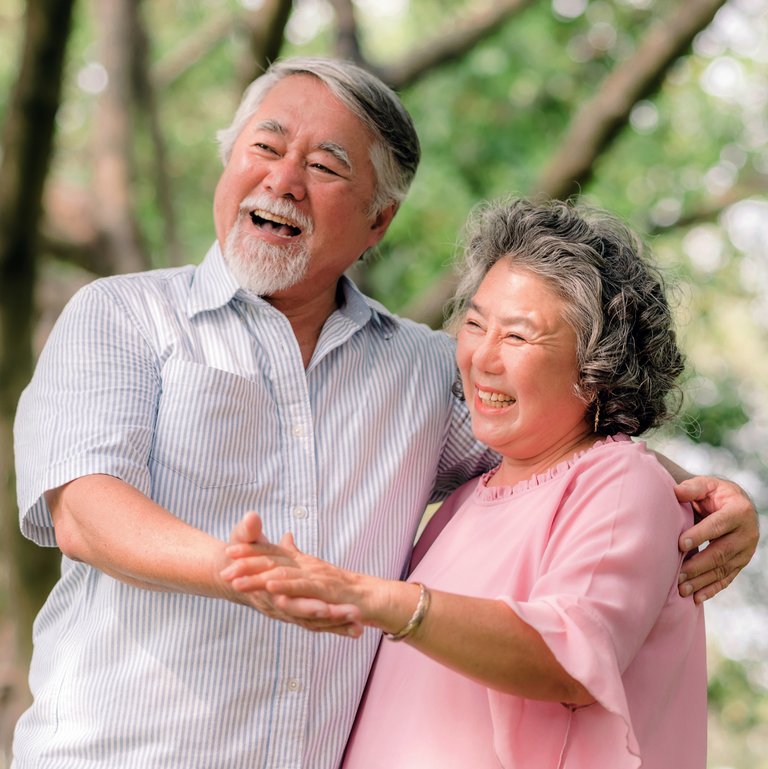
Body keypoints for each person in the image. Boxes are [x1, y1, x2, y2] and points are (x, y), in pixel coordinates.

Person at [11, 57, 756, 769]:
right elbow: (86, 510)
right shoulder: (123, 317)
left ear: (378, 223)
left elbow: (555, 437)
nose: (283, 180)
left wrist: (698, 490)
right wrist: (245, 573)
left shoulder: (423, 370)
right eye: (264, 146)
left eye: (325, 166)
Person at [223, 197, 711, 768]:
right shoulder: (460, 504)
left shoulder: (623, 482)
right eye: (476, 323)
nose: (482, 356)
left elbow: (573, 658)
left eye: (519, 337)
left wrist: (372, 598)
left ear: (598, 363)